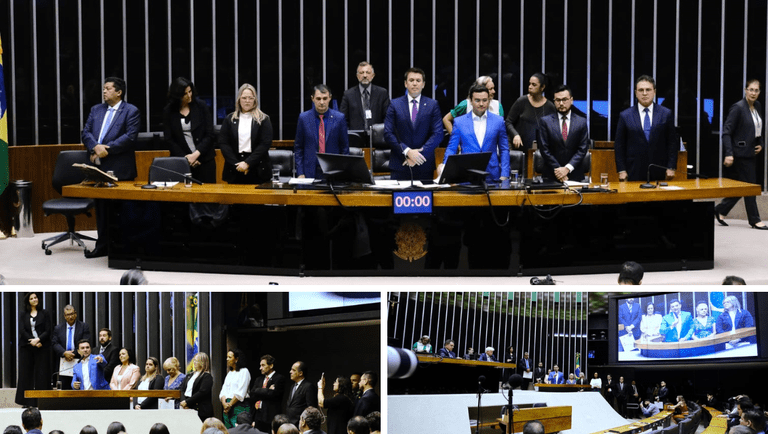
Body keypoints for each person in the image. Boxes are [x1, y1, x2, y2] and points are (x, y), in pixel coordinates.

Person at [81, 76, 141, 258]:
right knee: (101, 209)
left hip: (120, 167)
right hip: (97, 167)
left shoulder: (131, 111)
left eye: (108, 88)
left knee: (121, 210)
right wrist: (95, 147)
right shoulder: (96, 109)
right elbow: (86, 132)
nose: (104, 91)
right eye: (104, 88)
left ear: (119, 92)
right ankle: (102, 245)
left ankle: (122, 248)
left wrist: (105, 149)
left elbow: (130, 137)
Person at [715, 79, 767, 229]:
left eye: (756, 90)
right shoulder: (738, 108)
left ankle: (720, 210)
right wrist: (729, 153)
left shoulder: (757, 106)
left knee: (742, 186)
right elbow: (726, 132)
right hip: (739, 154)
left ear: (759, 92)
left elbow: (758, 128)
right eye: (750, 89)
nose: (753, 93)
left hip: (751, 153)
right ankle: (755, 219)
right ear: (745, 90)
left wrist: (761, 143)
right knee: (750, 186)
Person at [614, 75, 678, 182]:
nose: (644, 93)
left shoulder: (666, 113)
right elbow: (619, 145)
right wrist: (621, 170)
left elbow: (672, 143)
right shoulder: (625, 115)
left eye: (648, 90)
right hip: (633, 170)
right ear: (635, 93)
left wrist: (671, 167)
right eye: (641, 90)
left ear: (654, 92)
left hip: (659, 169)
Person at [440, 84, 510, 182]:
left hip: (492, 175)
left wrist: (505, 174)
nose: (481, 104)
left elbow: (504, 149)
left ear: (489, 100)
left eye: (484, 100)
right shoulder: (459, 122)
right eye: (477, 100)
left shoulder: (498, 121)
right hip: (466, 174)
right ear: (471, 101)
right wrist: (444, 166)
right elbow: (452, 148)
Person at [383, 67, 443, 181]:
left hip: (424, 165)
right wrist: (407, 152)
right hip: (401, 163)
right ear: (405, 84)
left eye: (418, 80)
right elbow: (388, 133)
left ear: (423, 84)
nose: (414, 84)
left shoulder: (432, 105)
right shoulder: (394, 104)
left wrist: (417, 156)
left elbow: (438, 133)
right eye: (411, 80)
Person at [163, 77, 217, 183]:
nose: (189, 96)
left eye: (190, 91)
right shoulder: (168, 111)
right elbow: (169, 139)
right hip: (182, 161)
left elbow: (210, 134)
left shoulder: (201, 106)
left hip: (204, 160)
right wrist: (186, 158)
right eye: (185, 93)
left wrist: (196, 155)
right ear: (177, 95)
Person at [219, 84, 273, 184]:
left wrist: (247, 163)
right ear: (239, 99)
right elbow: (224, 143)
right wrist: (237, 164)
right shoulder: (229, 119)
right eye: (244, 98)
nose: (247, 101)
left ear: (255, 100)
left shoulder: (264, 119)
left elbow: (265, 144)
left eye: (250, 98)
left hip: (257, 168)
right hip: (235, 167)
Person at [294, 84, 349, 179]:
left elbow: (344, 148)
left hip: (333, 171)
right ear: (312, 98)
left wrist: (342, 173)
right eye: (318, 99)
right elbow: (299, 148)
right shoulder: (303, 118)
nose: (322, 102)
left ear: (330, 98)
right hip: (309, 172)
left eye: (325, 98)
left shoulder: (339, 118)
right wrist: (300, 172)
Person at [537, 85, 590, 182]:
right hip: (551, 175)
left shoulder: (581, 122)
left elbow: (582, 149)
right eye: (558, 100)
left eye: (564, 99)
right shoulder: (545, 121)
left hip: (575, 174)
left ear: (571, 100)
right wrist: (559, 171)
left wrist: (567, 168)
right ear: (554, 101)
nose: (561, 103)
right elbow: (544, 149)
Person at [15, 292, 51, 407]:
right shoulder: (23, 314)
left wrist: (39, 339)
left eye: (35, 297)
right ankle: (26, 401)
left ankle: (42, 400)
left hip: (42, 346)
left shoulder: (44, 313)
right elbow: (22, 330)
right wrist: (33, 341)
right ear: (28, 301)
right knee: (26, 373)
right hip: (27, 346)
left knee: (42, 373)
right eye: (32, 298)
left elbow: (48, 329)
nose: (34, 300)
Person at [505, 73, 556, 151]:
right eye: (529, 84)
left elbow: (553, 130)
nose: (530, 87)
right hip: (519, 150)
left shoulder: (550, 106)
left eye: (534, 85)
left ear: (542, 87)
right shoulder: (522, 101)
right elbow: (508, 122)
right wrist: (515, 135)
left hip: (540, 152)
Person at [339, 61, 390, 131]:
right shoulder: (348, 94)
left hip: (377, 137)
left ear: (373, 75)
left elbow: (388, 118)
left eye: (368, 73)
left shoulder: (382, 93)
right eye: (361, 73)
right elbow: (343, 119)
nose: (365, 75)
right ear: (357, 76)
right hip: (355, 137)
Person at [51, 305, 90, 389]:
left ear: (75, 314)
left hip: (78, 360)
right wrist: (64, 353)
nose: (70, 316)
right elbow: (54, 343)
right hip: (63, 361)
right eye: (68, 315)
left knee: (79, 385)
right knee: (64, 387)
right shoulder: (58, 328)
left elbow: (85, 342)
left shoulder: (83, 327)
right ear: (65, 316)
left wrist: (72, 354)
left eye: (72, 314)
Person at [251, 355, 287, 433]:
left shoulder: (279, 378)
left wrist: (259, 391)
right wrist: (267, 390)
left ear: (271, 365)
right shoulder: (259, 379)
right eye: (260, 365)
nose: (260, 368)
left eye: (263, 365)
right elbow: (253, 393)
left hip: (270, 415)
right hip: (258, 415)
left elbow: (273, 394)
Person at [220, 349, 252, 428]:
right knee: (228, 430)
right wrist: (224, 404)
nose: (227, 359)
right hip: (227, 406)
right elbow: (223, 391)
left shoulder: (244, 371)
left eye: (230, 357)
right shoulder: (229, 374)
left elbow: (241, 392)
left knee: (239, 429)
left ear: (236, 359)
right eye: (227, 357)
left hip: (239, 405)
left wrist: (229, 405)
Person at [180, 352, 214, 421]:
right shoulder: (189, 375)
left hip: (201, 409)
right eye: (194, 360)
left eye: (197, 361)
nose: (194, 362)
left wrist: (187, 402)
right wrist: (184, 402)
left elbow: (202, 392)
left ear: (203, 362)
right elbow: (183, 389)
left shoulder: (207, 376)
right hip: (187, 407)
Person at [285, 361, 318, 426]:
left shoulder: (308, 387)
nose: (290, 372)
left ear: (300, 373)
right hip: (290, 424)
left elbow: (311, 409)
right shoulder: (292, 386)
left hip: (300, 425)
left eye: (293, 370)